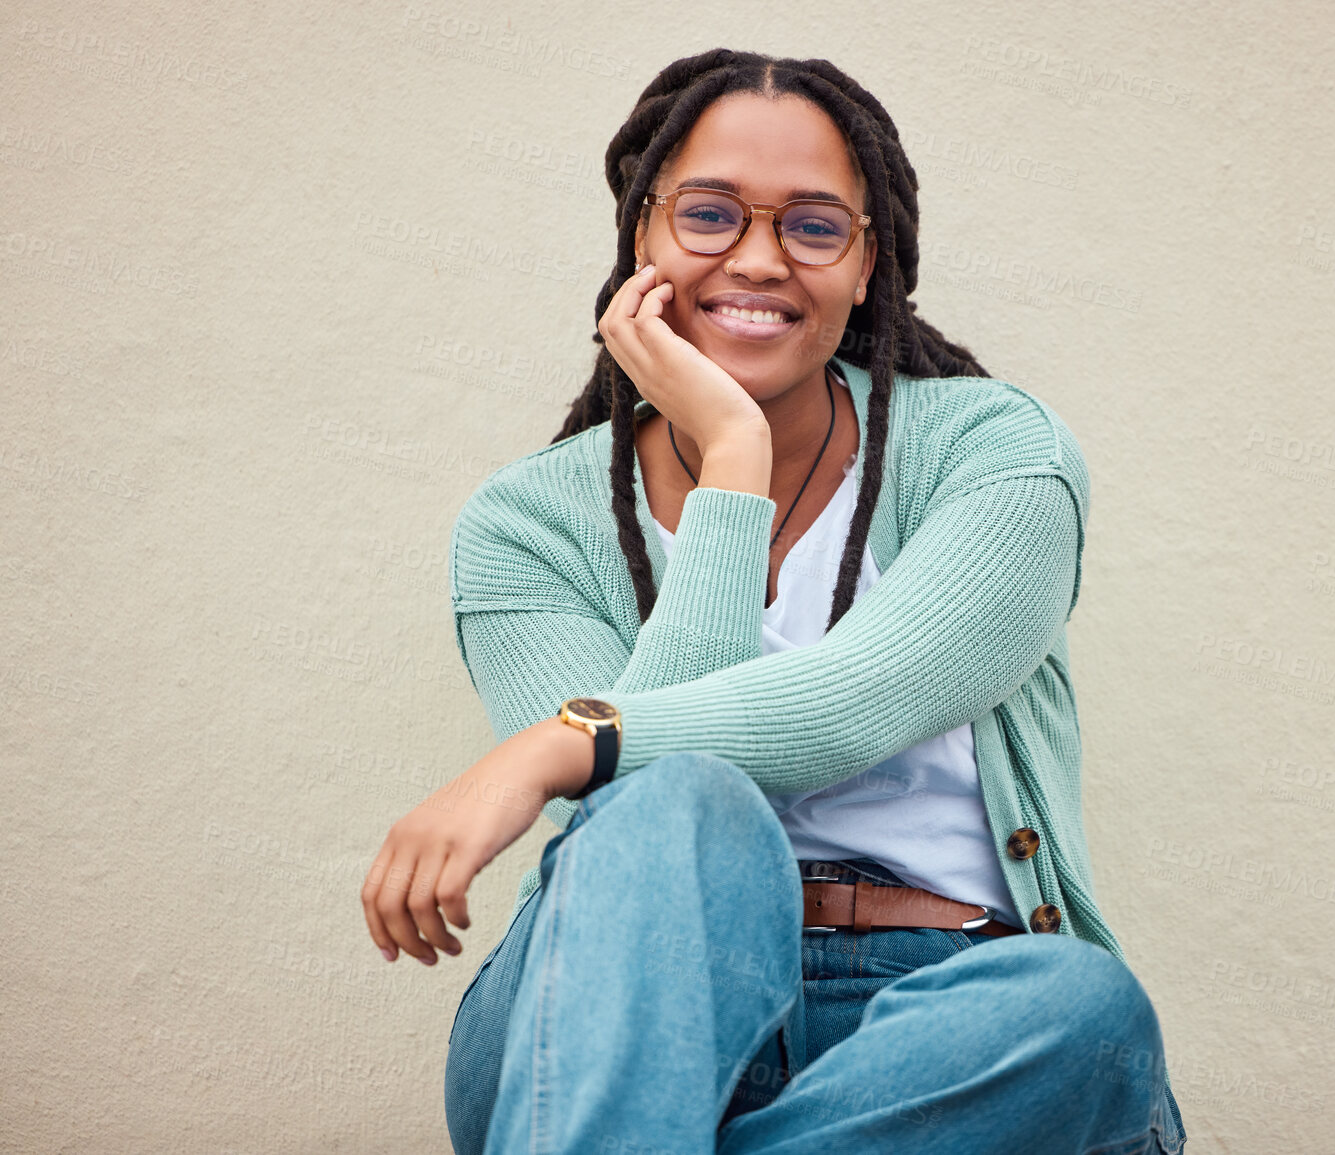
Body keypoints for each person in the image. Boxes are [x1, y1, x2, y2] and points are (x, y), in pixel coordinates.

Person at [360, 48, 1186, 1155]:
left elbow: (850, 705)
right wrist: (734, 462)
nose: (758, 259)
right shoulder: (528, 525)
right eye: (708, 216)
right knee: (676, 806)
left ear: (867, 263)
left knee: (1083, 1011)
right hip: (631, 1007)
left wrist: (559, 744)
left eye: (812, 226)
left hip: (947, 1028)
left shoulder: (993, 453)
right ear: (640, 240)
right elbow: (633, 812)